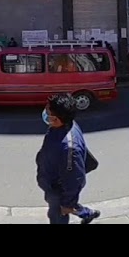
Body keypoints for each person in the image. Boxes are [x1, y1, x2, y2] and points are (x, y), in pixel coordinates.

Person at [35, 93, 101, 224]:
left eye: (48, 112)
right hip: (54, 179)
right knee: (69, 206)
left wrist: (66, 204)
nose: (45, 113)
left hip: (57, 188)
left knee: (57, 216)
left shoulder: (69, 149)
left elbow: (75, 179)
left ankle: (80, 211)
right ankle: (87, 214)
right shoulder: (64, 124)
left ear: (57, 119)